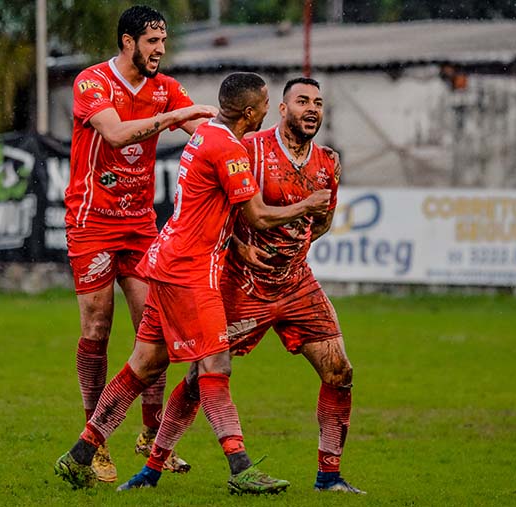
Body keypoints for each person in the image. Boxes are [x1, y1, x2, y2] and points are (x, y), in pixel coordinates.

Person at [55, 72, 332, 495]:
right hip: (190, 271)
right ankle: (240, 467)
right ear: (250, 112)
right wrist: (307, 204)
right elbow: (257, 215)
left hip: (167, 260)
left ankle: (80, 454)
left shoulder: (206, 135)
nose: (263, 111)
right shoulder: (228, 147)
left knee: (144, 364)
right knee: (215, 366)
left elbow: (210, 206)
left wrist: (236, 244)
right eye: (262, 104)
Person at [125, 77, 365, 494]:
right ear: (281, 110)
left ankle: (329, 478)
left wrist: (295, 243)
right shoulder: (249, 149)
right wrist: (241, 244)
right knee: (202, 376)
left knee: (339, 370)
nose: (312, 109)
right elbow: (222, 210)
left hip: (295, 285)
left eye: (319, 103)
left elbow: (321, 221)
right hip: (242, 286)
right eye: (302, 101)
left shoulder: (328, 162)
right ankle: (152, 468)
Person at [63, 4, 217, 482]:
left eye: (163, 41)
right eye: (153, 41)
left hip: (138, 224)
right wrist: (178, 114)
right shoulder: (92, 82)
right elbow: (114, 134)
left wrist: (248, 140)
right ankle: (97, 441)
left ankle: (152, 437)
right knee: (96, 329)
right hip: (91, 221)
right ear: (128, 42)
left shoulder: (166, 89)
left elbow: (206, 134)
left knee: (158, 333)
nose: (161, 50)